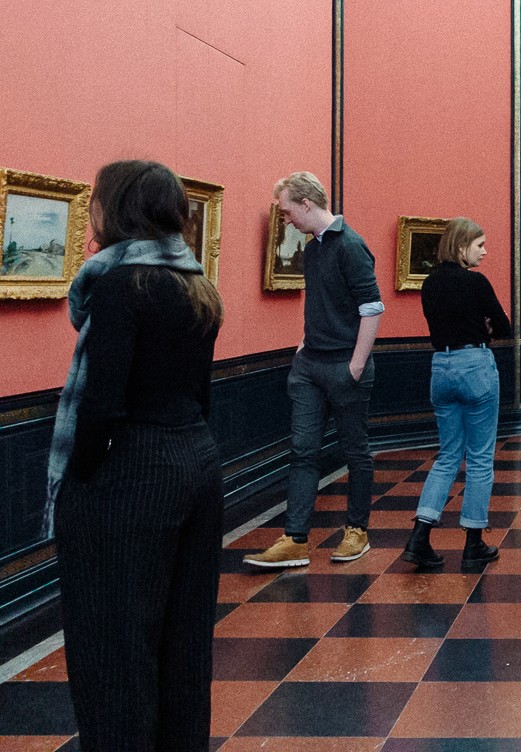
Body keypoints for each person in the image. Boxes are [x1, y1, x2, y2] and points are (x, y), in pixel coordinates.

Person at [50, 160, 223, 751]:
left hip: (132, 470)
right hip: (196, 459)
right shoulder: (197, 282)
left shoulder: (122, 285)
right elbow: (200, 392)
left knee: (113, 652)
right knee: (183, 644)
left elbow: (101, 405)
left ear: (115, 208)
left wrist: (80, 481)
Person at [245, 172, 383, 568]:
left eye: (288, 211)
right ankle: (295, 539)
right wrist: (305, 345)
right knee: (302, 451)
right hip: (310, 366)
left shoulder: (351, 245)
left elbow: (371, 308)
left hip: (344, 366)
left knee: (355, 451)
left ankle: (356, 531)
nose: (286, 219)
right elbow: (323, 304)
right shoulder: (314, 247)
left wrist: (355, 366)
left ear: (307, 203)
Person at [402, 217, 512, 571]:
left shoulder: (430, 283)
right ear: (462, 246)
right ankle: (473, 543)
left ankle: (420, 536)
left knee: (448, 456)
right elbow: (504, 325)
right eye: (480, 245)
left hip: (441, 367)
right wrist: (484, 326)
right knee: (480, 457)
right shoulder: (476, 282)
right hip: (475, 365)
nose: (485, 251)